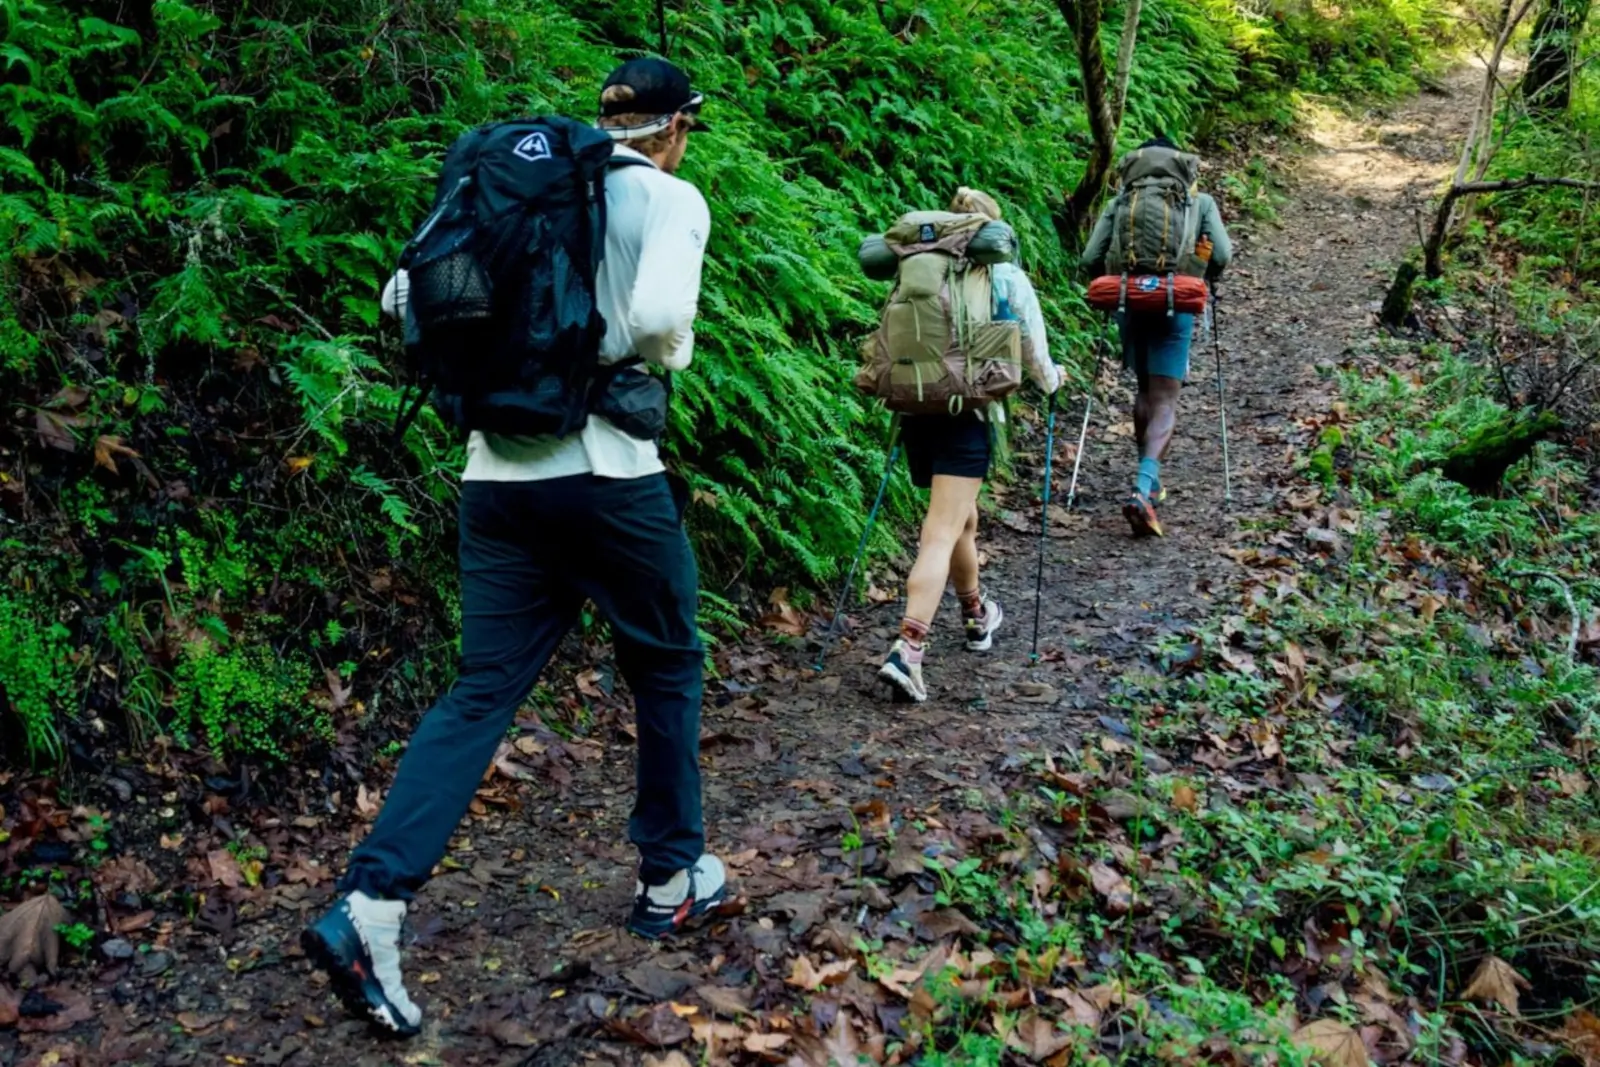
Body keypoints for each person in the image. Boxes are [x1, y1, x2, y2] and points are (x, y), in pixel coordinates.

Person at [301, 58, 723, 1038]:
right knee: (665, 665)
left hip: (494, 479)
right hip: (611, 478)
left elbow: (401, 303)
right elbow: (660, 321)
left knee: (480, 688)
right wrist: (646, 359)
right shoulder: (667, 198)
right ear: (677, 129)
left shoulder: (510, 192)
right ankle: (670, 876)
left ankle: (371, 903)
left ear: (602, 121)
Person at [878, 188, 1063, 704]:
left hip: (916, 406)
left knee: (961, 519)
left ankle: (976, 615)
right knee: (939, 531)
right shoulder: (1001, 274)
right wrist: (1052, 382)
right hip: (967, 414)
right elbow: (1030, 346)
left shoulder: (919, 266)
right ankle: (908, 649)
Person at [1081, 135, 1232, 538]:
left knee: (1145, 391)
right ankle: (1145, 487)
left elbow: (1090, 259)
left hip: (1129, 302)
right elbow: (1222, 256)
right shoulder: (1198, 203)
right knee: (1165, 397)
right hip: (1174, 304)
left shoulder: (1121, 202)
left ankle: (1149, 483)